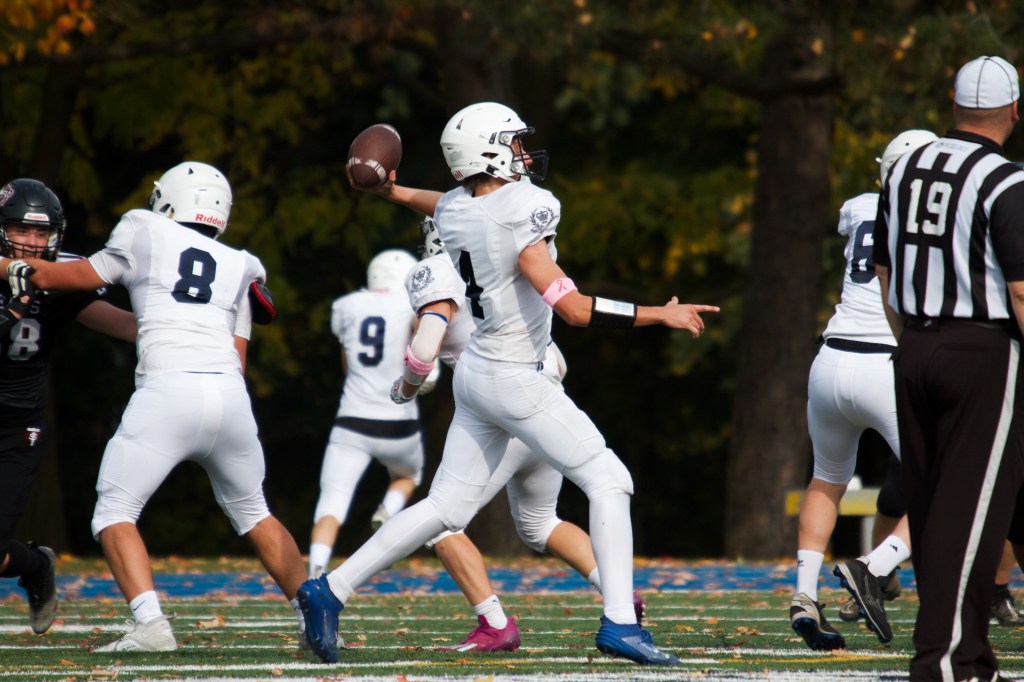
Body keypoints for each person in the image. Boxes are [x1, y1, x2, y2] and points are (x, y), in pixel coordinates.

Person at [296, 102, 717, 666]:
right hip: (518, 374)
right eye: (514, 142)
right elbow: (572, 310)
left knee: (444, 508)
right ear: (490, 151)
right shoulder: (524, 209)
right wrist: (655, 314)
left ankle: (330, 589)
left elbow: (439, 201)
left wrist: (392, 193)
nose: (523, 152)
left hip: (473, 375)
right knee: (610, 479)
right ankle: (620, 622)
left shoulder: (455, 211)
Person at [3, 162, 308, 651]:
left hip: (168, 390)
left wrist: (8, 267)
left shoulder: (144, 229)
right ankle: (311, 609)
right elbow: (238, 356)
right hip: (230, 395)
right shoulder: (243, 264)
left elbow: (76, 275)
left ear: (167, 202)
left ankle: (151, 624)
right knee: (255, 512)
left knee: (114, 512)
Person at [397, 219, 643, 652]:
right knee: (538, 523)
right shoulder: (504, 280)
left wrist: (407, 384)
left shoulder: (437, 275)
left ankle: (494, 623)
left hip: (504, 414)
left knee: (442, 523)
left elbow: (424, 353)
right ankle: (618, 592)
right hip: (547, 410)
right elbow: (561, 364)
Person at [874, 56, 1024, 682]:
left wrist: (911, 340)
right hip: (980, 351)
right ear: (1015, 110)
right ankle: (945, 659)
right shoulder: (1006, 180)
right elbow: (1020, 291)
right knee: (970, 511)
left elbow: (884, 270)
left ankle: (963, 654)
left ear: (953, 101)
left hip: (913, 346)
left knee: (935, 506)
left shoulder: (905, 165)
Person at [789, 129, 936, 651]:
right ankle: (873, 568)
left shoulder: (858, 206)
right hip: (886, 363)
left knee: (826, 479)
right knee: (944, 484)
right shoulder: (932, 214)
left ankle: (805, 593)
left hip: (830, 358)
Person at [0, 178, 136, 636]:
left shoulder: (62, 273)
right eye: (22, 230)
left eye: (42, 234)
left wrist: (199, 321)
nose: (33, 243)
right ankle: (35, 564)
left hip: (18, 423)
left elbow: (121, 322)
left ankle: (36, 566)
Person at [307, 248, 432, 579]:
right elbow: (425, 347)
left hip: (352, 421)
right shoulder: (410, 307)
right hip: (399, 425)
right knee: (409, 475)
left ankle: (316, 573)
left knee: (331, 504)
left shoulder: (347, 305)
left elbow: (348, 365)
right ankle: (388, 510)